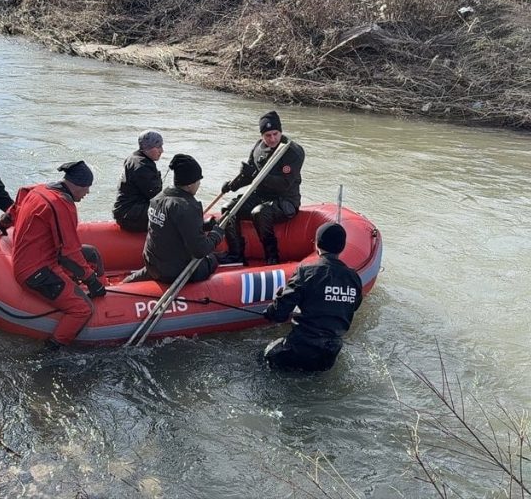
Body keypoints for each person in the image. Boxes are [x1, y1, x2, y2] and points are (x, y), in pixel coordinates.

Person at [0, 161, 106, 349]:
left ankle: (104, 290)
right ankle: (53, 349)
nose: (87, 193)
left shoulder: (37, 190)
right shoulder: (60, 205)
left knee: (91, 253)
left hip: (39, 257)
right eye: (86, 188)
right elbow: (69, 253)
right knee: (82, 309)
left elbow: (15, 208)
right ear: (77, 185)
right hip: (36, 272)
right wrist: (90, 279)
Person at [261, 222, 363, 372]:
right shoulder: (354, 278)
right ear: (342, 247)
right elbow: (351, 307)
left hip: (299, 349)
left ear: (317, 244)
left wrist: (276, 302)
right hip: (329, 355)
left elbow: (278, 314)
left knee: (262, 357)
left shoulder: (306, 272)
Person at [123, 154, 224, 284]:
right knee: (211, 258)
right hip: (174, 272)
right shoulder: (186, 206)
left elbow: (172, 226)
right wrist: (217, 234)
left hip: (153, 264)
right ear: (189, 185)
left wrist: (203, 225)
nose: (199, 185)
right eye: (198, 181)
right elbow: (200, 250)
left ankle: (124, 284)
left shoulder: (158, 198)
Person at [219, 111, 305, 265]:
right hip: (260, 195)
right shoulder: (258, 147)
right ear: (261, 136)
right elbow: (248, 174)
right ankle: (236, 255)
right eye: (268, 135)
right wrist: (231, 185)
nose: (272, 139)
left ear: (280, 132)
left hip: (285, 200)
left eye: (275, 134)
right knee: (228, 209)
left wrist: (255, 175)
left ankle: (272, 257)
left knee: (260, 212)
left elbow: (284, 184)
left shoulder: (293, 152)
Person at [113, 130, 164, 232]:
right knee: (168, 212)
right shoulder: (142, 166)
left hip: (125, 212)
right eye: (158, 147)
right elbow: (156, 196)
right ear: (148, 147)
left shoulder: (134, 158)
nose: (162, 151)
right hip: (130, 215)